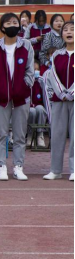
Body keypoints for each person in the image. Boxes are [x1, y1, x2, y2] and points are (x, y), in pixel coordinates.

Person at [0, 13, 35, 181]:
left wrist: (25, 84)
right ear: (2, 27)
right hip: (1, 97)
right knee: (1, 133)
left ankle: (18, 166)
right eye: (8, 23)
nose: (12, 25)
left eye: (15, 22)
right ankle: (1, 166)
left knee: (20, 134)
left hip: (21, 97)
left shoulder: (26, 45)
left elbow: (30, 69)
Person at [44, 21, 74, 182]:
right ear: (61, 34)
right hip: (59, 100)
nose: (69, 32)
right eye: (66, 30)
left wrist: (71, 92)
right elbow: (53, 75)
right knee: (57, 135)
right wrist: (62, 92)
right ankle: (55, 170)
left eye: (72, 29)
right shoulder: (57, 55)